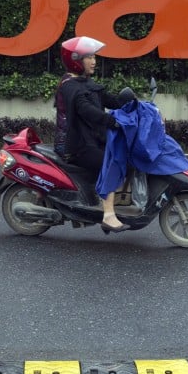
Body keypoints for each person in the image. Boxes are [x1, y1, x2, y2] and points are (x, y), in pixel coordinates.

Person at [53, 36, 134, 232]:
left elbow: (109, 100)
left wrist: (133, 104)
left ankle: (116, 199)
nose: (94, 61)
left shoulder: (86, 82)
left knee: (123, 153)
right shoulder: (70, 86)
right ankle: (108, 214)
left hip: (89, 138)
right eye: (89, 57)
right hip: (73, 144)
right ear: (75, 60)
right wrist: (111, 121)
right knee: (111, 161)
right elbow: (86, 109)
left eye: (94, 57)